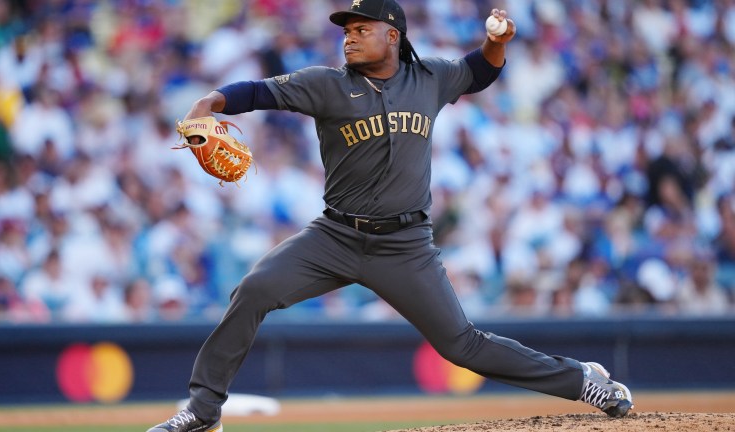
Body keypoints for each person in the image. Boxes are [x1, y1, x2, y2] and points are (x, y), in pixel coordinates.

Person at [148, 2, 634, 431]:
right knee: (253, 289)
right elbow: (255, 92)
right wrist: (210, 102)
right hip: (334, 236)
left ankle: (582, 379)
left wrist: (495, 42)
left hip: (404, 247)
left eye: (361, 28)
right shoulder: (326, 84)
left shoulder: (429, 78)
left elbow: (479, 72)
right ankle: (203, 409)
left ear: (393, 36)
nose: (350, 37)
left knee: (462, 346)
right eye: (346, 30)